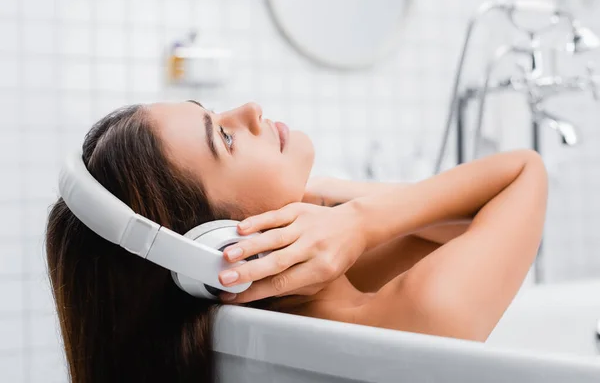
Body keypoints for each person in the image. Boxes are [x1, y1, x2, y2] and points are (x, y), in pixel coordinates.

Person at [45, 100, 548, 382]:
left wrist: (342, 218)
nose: (251, 111)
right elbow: (523, 173)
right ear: (221, 250)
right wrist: (359, 219)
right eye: (224, 137)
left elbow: (459, 224)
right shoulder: (418, 314)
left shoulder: (261, 326)